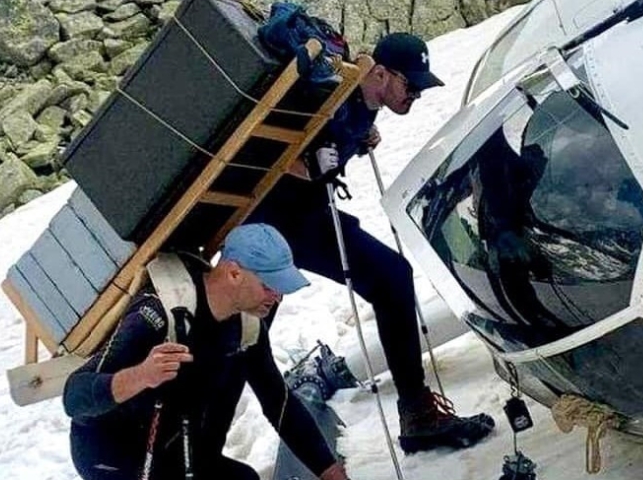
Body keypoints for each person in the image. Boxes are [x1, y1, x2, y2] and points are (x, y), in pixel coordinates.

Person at [247, 32, 496, 453]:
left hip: (309, 217)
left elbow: (336, 140)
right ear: (379, 72)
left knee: (391, 276)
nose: (415, 94)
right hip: (271, 224)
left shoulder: (364, 105)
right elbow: (264, 145)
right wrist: (306, 165)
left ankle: (417, 415)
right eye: (410, 85)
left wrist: (356, 143)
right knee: (245, 338)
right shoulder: (328, 92)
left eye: (419, 87)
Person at [62, 223, 348, 480]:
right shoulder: (159, 313)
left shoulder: (247, 326)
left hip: (175, 450)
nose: (277, 298)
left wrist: (331, 472)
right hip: (112, 458)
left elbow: (279, 402)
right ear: (234, 272)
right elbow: (74, 396)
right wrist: (140, 376)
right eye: (269, 287)